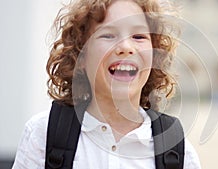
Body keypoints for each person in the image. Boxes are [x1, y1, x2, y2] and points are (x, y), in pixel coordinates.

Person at [12, 0, 201, 168]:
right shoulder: (42, 135)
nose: (126, 48)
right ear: (81, 56)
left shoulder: (177, 152)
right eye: (108, 35)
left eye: (139, 36)